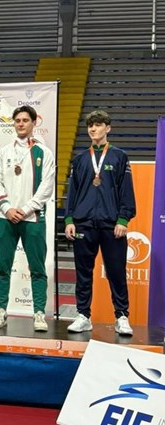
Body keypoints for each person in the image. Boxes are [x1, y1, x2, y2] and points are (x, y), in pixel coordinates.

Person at [65, 110, 136, 336]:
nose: (93, 129)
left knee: (116, 272)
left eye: (97, 125)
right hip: (84, 224)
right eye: (90, 126)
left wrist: (123, 218)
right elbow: (72, 192)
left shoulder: (119, 156)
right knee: (83, 272)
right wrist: (69, 219)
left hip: (111, 224)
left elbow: (126, 190)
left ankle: (121, 316)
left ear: (108, 128)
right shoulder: (80, 159)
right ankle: (83, 315)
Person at [0, 105, 55, 332]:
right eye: (17, 120)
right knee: (2, 267)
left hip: (33, 218)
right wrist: (7, 207)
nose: (21, 124)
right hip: (5, 217)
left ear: (34, 123)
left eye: (25, 120)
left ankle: (39, 313)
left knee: (37, 268)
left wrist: (26, 209)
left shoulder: (44, 153)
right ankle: (0, 310)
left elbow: (46, 187)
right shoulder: (4, 152)